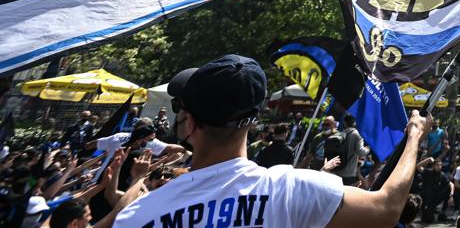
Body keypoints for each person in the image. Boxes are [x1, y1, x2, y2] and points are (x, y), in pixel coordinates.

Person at [112, 53, 431, 228]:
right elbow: (388, 207)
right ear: (254, 119)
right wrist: (414, 136)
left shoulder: (139, 216)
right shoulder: (294, 190)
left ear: (189, 123)